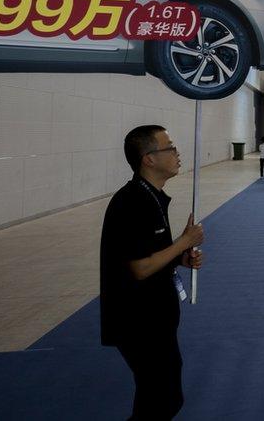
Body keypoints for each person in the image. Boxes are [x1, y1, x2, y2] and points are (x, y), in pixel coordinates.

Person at [101, 125, 205, 420]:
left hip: (156, 317)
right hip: (138, 321)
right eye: (169, 147)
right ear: (149, 158)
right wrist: (184, 242)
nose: (176, 153)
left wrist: (179, 257)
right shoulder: (132, 202)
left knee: (163, 397)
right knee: (161, 399)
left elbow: (150, 256)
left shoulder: (153, 197)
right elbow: (140, 268)